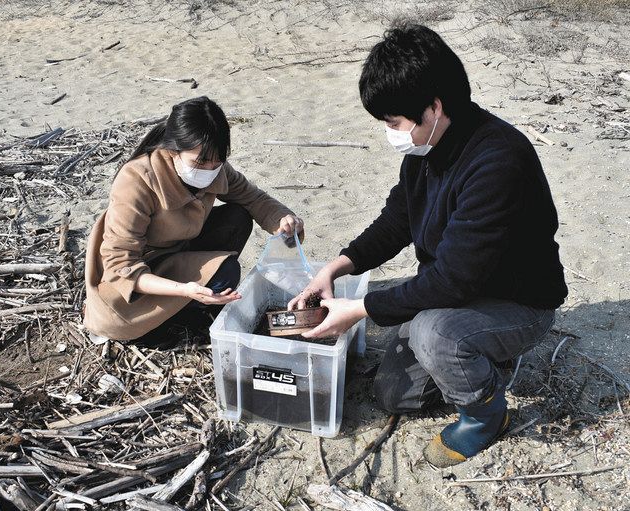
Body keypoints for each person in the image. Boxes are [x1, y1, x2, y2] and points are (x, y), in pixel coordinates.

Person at [288, 23, 567, 467]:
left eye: (394, 122)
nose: (390, 133)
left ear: (434, 107)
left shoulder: (497, 162)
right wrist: (335, 268)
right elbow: (397, 221)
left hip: (518, 302)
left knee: (432, 332)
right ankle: (478, 359)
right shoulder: (427, 148)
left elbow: (453, 281)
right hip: (459, 285)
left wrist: (359, 310)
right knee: (395, 394)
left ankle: (485, 416)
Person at [84, 96, 304, 344]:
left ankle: (190, 307)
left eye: (216, 162)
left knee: (238, 217)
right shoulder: (138, 179)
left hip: (180, 249)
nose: (209, 170)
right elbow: (120, 266)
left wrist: (284, 219)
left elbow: (253, 197)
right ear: (173, 150)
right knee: (226, 272)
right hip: (142, 273)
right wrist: (185, 290)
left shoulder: (214, 167)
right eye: (200, 162)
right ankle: (181, 313)